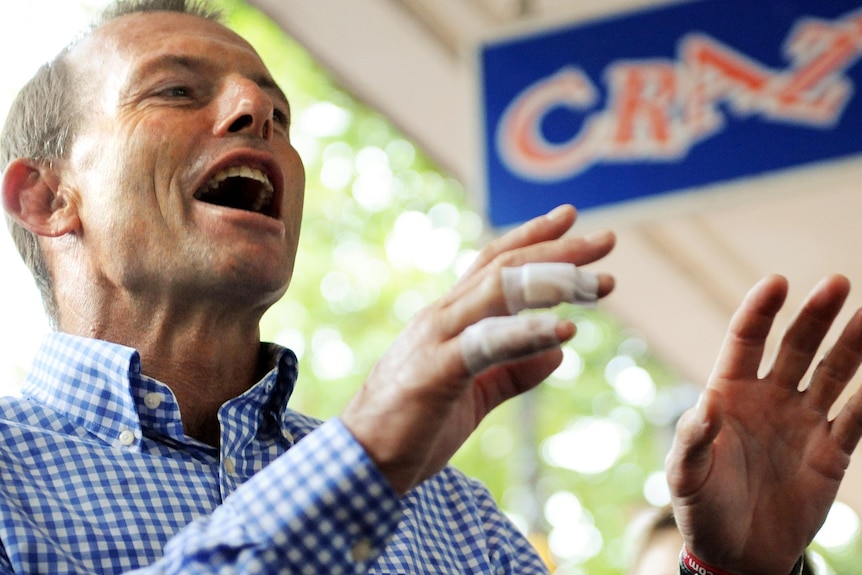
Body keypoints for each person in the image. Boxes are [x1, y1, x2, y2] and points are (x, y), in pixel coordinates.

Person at [1, 0, 862, 573]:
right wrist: (366, 452)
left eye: (278, 110)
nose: (255, 113)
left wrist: (729, 572)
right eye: (176, 91)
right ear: (45, 196)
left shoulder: (454, 515)